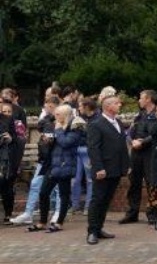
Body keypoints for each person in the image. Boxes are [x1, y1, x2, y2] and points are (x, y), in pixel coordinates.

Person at [85, 89, 131, 244]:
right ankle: (92, 231)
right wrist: (98, 168)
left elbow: (121, 145)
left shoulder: (117, 122)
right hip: (103, 169)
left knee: (106, 200)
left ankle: (99, 228)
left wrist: (126, 165)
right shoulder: (96, 124)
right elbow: (93, 148)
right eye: (117, 103)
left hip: (116, 169)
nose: (120, 105)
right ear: (108, 106)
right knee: (97, 199)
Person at [10, 92, 61, 226]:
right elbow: (40, 126)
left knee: (58, 188)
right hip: (43, 160)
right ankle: (28, 213)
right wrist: (48, 117)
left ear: (55, 106)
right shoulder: (47, 120)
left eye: (48, 106)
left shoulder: (62, 121)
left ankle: (58, 213)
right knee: (34, 185)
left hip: (56, 160)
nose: (46, 109)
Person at [34, 104, 85, 233]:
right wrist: (47, 140)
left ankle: (59, 222)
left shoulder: (75, 127)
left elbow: (66, 143)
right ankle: (42, 221)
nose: (55, 117)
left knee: (64, 194)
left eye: (57, 115)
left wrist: (58, 131)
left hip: (65, 165)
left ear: (65, 115)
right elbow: (53, 143)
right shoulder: (55, 126)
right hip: (52, 165)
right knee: (43, 192)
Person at [121, 89, 157, 225]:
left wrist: (142, 142)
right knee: (134, 183)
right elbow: (131, 131)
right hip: (136, 153)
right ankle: (132, 212)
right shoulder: (140, 115)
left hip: (150, 153)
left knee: (151, 184)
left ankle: (153, 214)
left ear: (148, 99)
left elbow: (156, 134)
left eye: (141, 98)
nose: (139, 100)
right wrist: (132, 141)